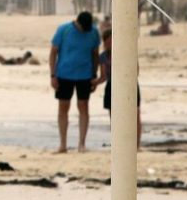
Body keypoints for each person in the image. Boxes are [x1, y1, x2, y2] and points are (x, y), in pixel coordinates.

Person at [49, 11, 101, 153]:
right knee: (63, 107)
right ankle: (63, 144)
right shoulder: (63, 30)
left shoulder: (94, 32)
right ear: (77, 23)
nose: (85, 31)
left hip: (85, 75)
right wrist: (53, 75)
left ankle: (81, 144)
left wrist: (94, 75)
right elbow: (53, 52)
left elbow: (95, 54)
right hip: (64, 74)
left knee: (83, 106)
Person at [95, 29, 142, 150]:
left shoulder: (128, 52)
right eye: (108, 41)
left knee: (135, 115)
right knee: (114, 116)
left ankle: (136, 145)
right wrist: (94, 83)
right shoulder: (104, 57)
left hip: (129, 84)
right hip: (112, 85)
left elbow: (136, 71)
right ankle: (119, 144)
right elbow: (104, 76)